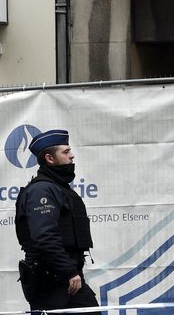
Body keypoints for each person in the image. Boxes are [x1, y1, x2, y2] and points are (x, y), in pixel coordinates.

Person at [15, 129, 100, 314]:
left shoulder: (59, 188)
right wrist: (68, 271)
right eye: (66, 152)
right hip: (51, 282)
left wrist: (71, 272)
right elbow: (44, 236)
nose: (72, 155)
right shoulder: (42, 190)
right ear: (50, 159)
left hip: (66, 278)